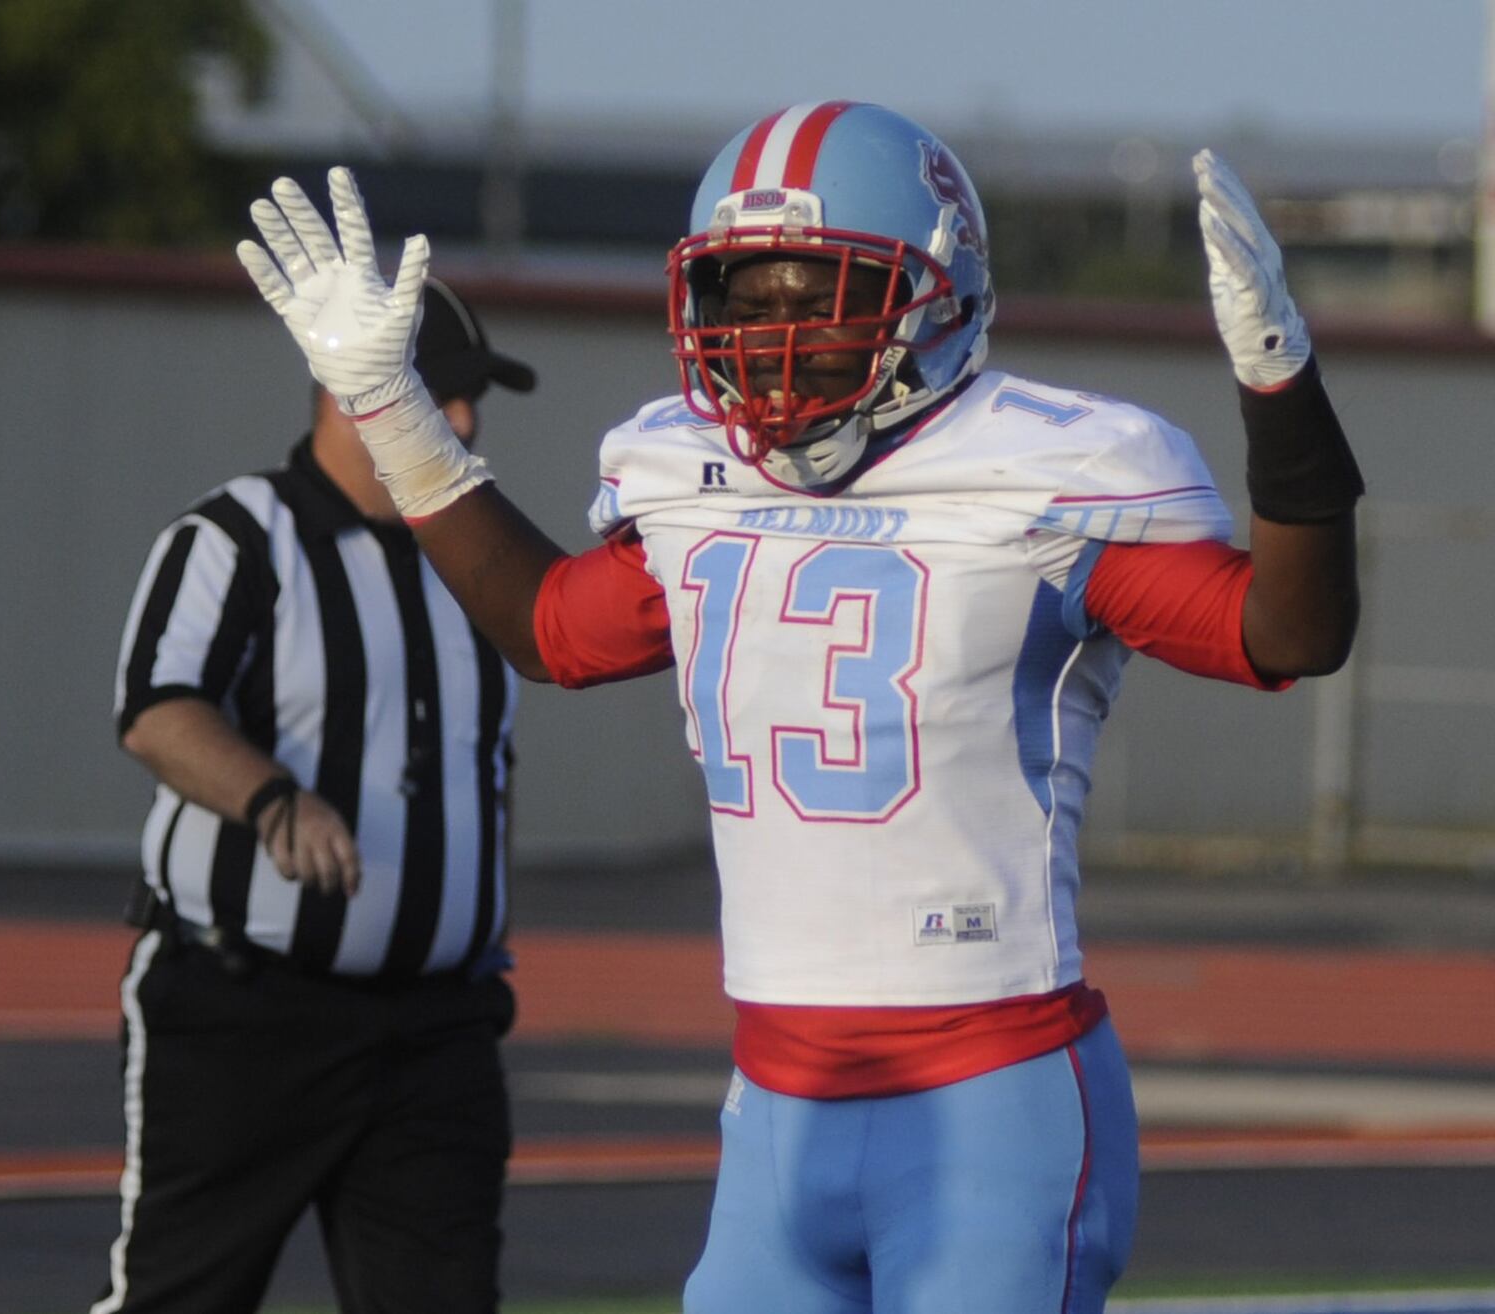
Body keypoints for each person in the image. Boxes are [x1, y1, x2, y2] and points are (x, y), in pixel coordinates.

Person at [236, 101, 1362, 1314]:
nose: (774, 338)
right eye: (744, 298)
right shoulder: (687, 476)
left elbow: (1288, 632)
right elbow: (550, 631)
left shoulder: (1045, 469)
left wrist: (1278, 389)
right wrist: (392, 410)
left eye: (819, 294)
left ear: (936, 298)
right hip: (776, 1107)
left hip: (987, 1099)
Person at [99, 277, 536, 1314]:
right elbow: (156, 708)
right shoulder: (239, 535)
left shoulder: (471, 559)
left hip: (437, 1029)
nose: (466, 423)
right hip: (248, 1011)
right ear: (352, 395)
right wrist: (274, 800)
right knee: (183, 1296)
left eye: (471, 399)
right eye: (444, 397)